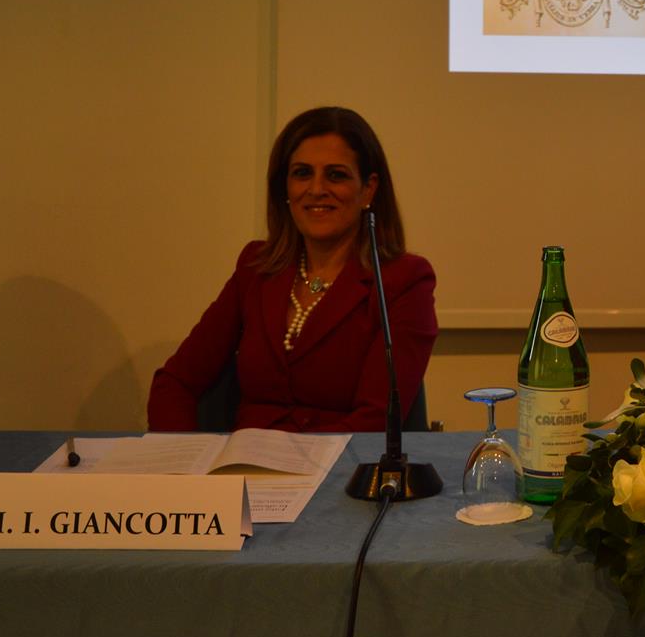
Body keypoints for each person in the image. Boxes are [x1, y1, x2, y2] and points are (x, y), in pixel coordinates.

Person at [148, 107, 437, 432]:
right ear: (284, 187)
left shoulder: (404, 280)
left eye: (336, 175)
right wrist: (186, 458)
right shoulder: (256, 267)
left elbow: (375, 420)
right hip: (243, 460)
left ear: (368, 189)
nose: (316, 189)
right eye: (302, 173)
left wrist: (290, 462)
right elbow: (175, 383)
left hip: (343, 463)